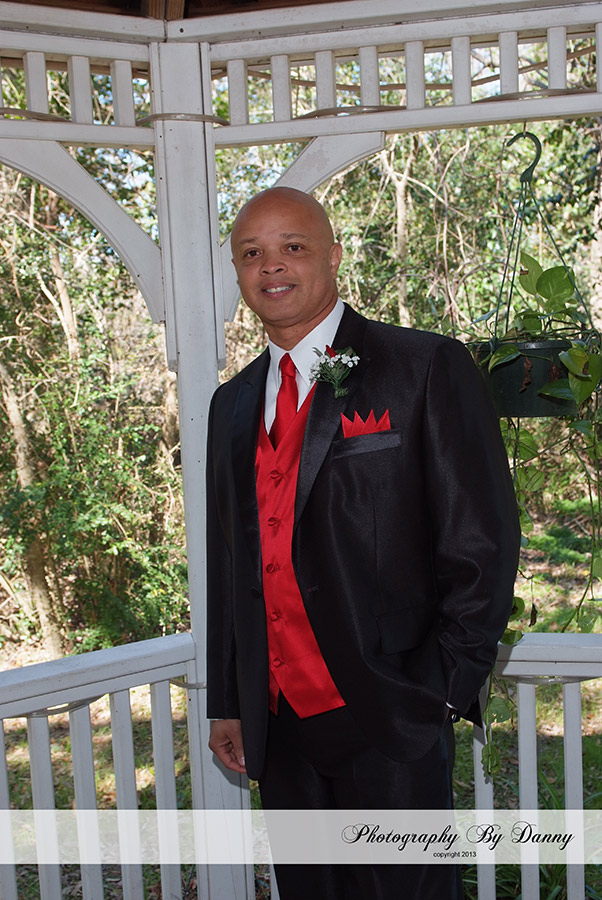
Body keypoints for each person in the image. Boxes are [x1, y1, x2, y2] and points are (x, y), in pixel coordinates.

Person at [206, 186, 520, 899]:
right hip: (279, 725)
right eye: (251, 253)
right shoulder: (231, 404)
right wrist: (231, 698)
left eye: (293, 247)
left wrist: (438, 692)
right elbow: (231, 564)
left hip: (391, 711)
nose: (271, 266)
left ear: (334, 256)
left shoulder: (424, 366)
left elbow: (482, 542)